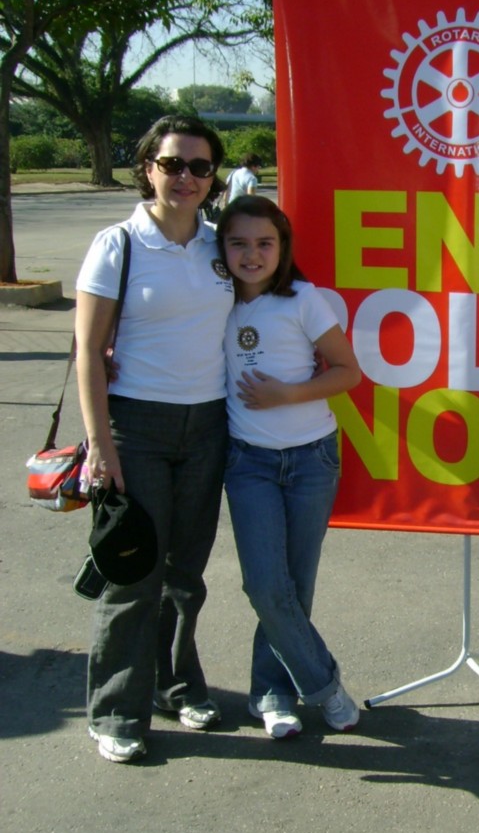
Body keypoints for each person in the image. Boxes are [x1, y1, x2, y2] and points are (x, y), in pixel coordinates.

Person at [76, 114, 236, 763]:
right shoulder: (119, 243)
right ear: (148, 168)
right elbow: (89, 351)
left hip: (209, 425)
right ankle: (115, 709)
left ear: (213, 177)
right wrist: (99, 444)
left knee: (185, 575)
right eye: (173, 164)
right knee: (134, 574)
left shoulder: (222, 245)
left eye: (200, 167)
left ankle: (176, 685)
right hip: (135, 427)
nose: (186, 178)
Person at [217, 195, 362, 739]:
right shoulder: (213, 301)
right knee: (264, 586)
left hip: (311, 459)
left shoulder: (304, 299)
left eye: (264, 243)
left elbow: (348, 371)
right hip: (247, 462)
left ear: (283, 248)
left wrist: (287, 394)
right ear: (221, 248)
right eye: (238, 243)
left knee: (294, 588)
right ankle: (323, 685)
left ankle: (272, 694)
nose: (251, 254)